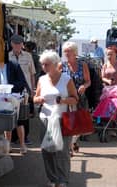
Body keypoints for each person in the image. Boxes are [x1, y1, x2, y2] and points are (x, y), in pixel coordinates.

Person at [33, 50, 78, 187]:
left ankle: (63, 179)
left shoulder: (66, 79)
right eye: (42, 64)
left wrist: (63, 100)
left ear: (54, 64)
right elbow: (35, 98)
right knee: (47, 150)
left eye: (46, 64)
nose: (43, 67)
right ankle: (52, 179)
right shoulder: (41, 79)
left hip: (62, 119)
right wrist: (38, 99)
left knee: (62, 151)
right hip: (45, 118)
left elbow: (75, 99)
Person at [61, 41, 91, 155]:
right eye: (65, 51)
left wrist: (84, 86)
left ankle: (73, 142)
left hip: (80, 98)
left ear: (75, 52)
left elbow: (88, 81)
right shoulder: (61, 65)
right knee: (70, 123)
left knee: (80, 125)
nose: (67, 53)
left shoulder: (82, 65)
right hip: (67, 99)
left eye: (69, 51)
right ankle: (69, 146)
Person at [9, 34, 36, 145]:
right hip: (12, 88)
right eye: (15, 44)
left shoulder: (28, 56)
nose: (17, 46)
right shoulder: (7, 56)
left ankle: (25, 137)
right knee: (12, 112)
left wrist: (33, 89)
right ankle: (14, 137)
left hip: (25, 88)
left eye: (19, 44)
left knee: (24, 113)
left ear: (22, 45)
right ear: (11, 44)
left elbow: (32, 73)